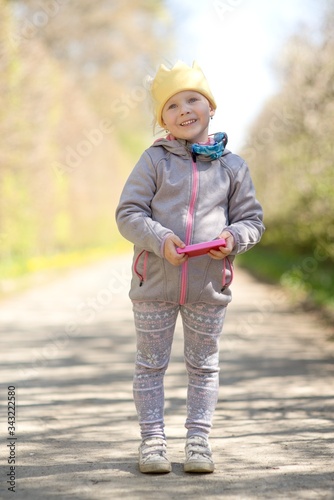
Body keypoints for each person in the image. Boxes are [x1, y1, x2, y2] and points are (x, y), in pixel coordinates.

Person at [115, 61, 265, 474]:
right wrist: (159, 239)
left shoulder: (233, 167)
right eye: (172, 105)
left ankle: (198, 442)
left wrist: (234, 238)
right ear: (161, 119)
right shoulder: (154, 161)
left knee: (204, 366)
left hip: (208, 287)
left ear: (211, 107)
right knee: (150, 364)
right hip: (154, 285)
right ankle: (152, 443)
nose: (184, 110)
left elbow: (252, 220)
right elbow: (128, 212)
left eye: (193, 99)